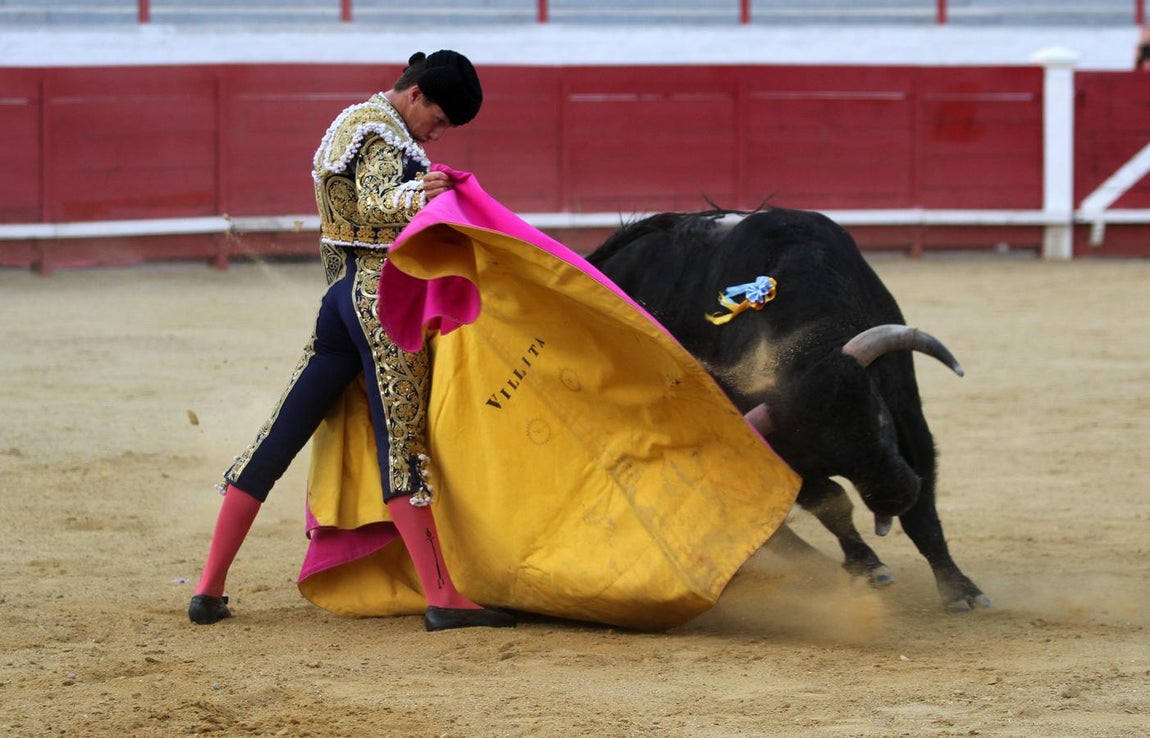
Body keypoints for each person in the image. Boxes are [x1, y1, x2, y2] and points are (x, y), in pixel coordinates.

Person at [187, 50, 515, 632]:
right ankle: (443, 597)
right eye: (438, 121)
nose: (436, 136)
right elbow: (375, 202)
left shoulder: (352, 121)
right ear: (415, 95)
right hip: (383, 297)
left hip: (339, 300)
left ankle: (208, 589)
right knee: (403, 443)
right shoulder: (382, 137)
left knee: (277, 437)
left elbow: (340, 227)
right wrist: (427, 196)